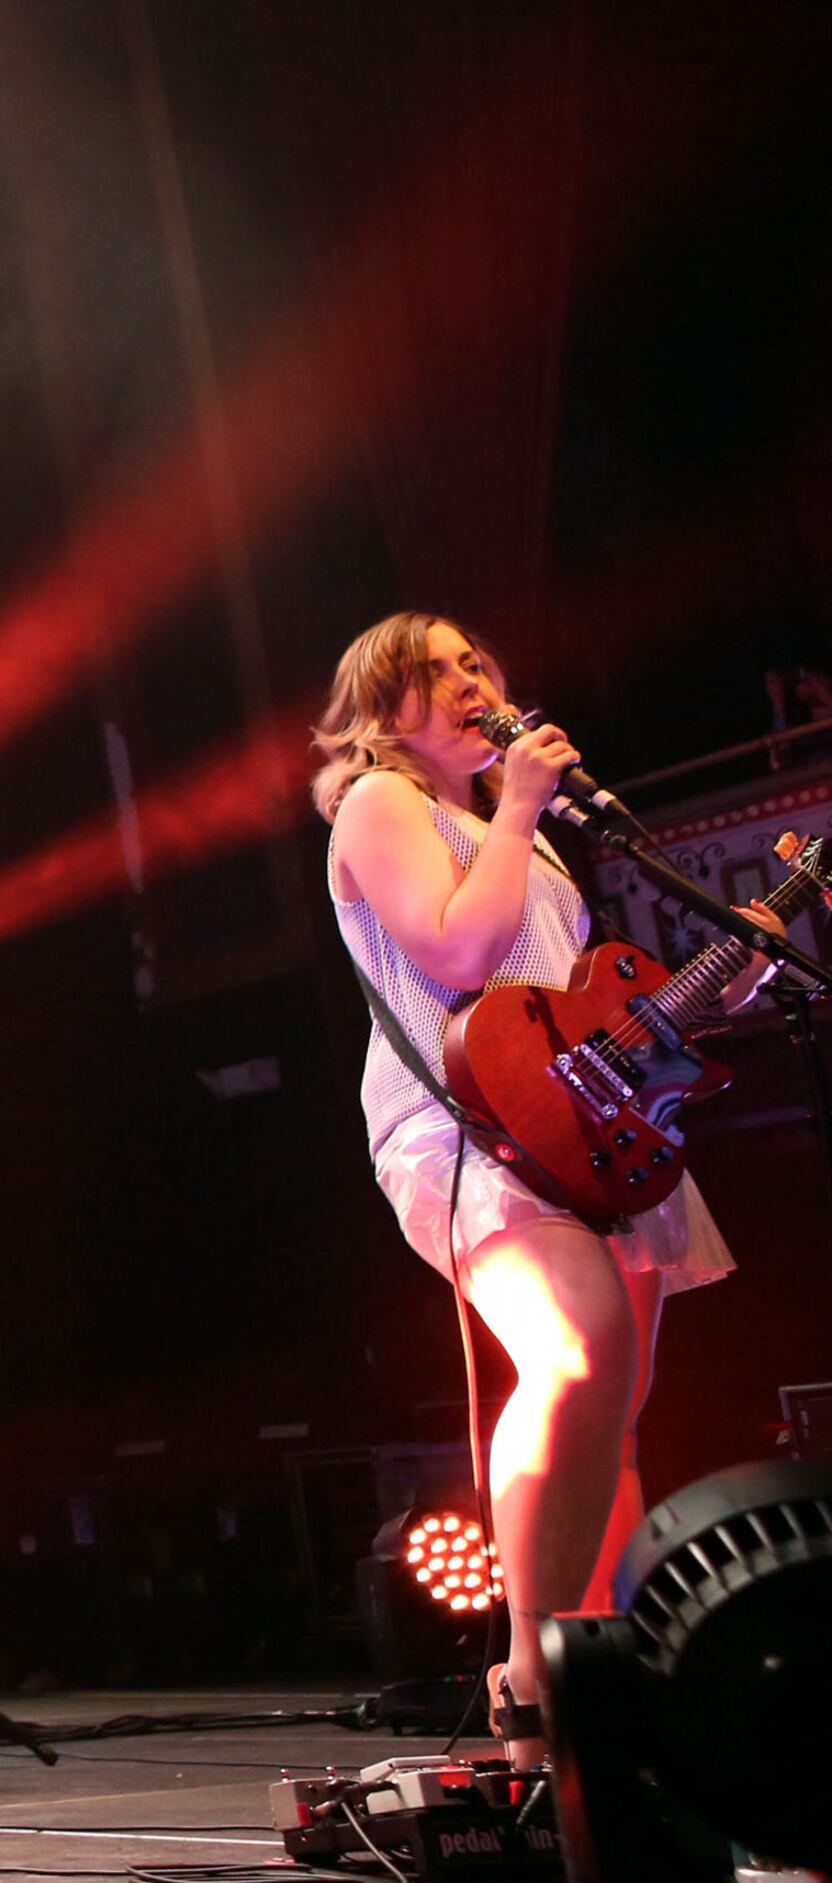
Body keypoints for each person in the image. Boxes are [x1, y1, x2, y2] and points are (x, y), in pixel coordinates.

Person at [315, 611, 776, 1751]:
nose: (475, 679)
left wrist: (731, 972)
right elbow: (458, 957)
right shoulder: (385, 805)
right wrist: (518, 805)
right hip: (462, 1129)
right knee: (575, 1348)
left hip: (586, 1128)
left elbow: (574, 1012)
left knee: (609, 1415)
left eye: (481, 662)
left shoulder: (536, 844)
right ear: (388, 705)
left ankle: (603, 1689)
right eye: (443, 667)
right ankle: (532, 1671)